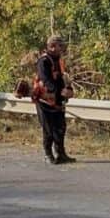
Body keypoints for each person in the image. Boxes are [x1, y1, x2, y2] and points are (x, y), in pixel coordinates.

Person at [34, 34, 75, 164]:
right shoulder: (44, 61)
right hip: (45, 100)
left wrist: (68, 90)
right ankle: (48, 154)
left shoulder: (59, 60)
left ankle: (61, 154)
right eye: (59, 45)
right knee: (49, 130)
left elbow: (63, 78)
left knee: (60, 128)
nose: (61, 48)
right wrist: (58, 91)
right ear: (51, 46)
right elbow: (46, 80)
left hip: (58, 100)